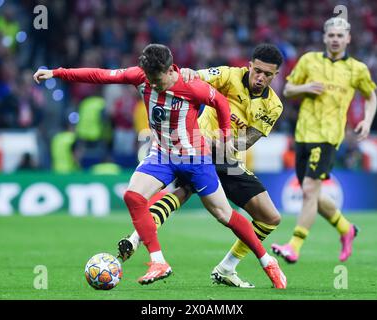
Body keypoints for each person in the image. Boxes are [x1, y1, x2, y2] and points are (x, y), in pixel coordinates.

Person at [33, 43, 286, 288]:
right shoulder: (149, 76)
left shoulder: (198, 90)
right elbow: (100, 75)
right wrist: (57, 72)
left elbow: (219, 102)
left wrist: (225, 137)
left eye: (268, 74)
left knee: (226, 214)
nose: (153, 84)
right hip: (164, 153)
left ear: (168, 70)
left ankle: (266, 261)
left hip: (199, 156)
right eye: (258, 70)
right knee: (133, 196)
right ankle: (157, 261)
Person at [117, 43, 285, 288]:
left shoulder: (274, 106)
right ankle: (136, 239)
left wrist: (226, 143)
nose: (260, 77)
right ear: (250, 65)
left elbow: (250, 138)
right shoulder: (230, 75)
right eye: (257, 70)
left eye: (267, 74)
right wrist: (187, 72)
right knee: (185, 192)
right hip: (196, 146)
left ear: (275, 75)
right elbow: (196, 76)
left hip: (227, 156)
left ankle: (227, 267)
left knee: (270, 218)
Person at [271, 17, 377, 263]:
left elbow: (371, 97)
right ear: (324, 37)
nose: (335, 39)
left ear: (348, 39)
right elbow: (287, 90)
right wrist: (305, 87)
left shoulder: (357, 69)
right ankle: (346, 229)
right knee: (314, 194)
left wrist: (367, 121)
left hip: (328, 136)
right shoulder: (309, 60)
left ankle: (294, 246)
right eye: (331, 35)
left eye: (340, 36)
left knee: (309, 189)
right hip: (303, 134)